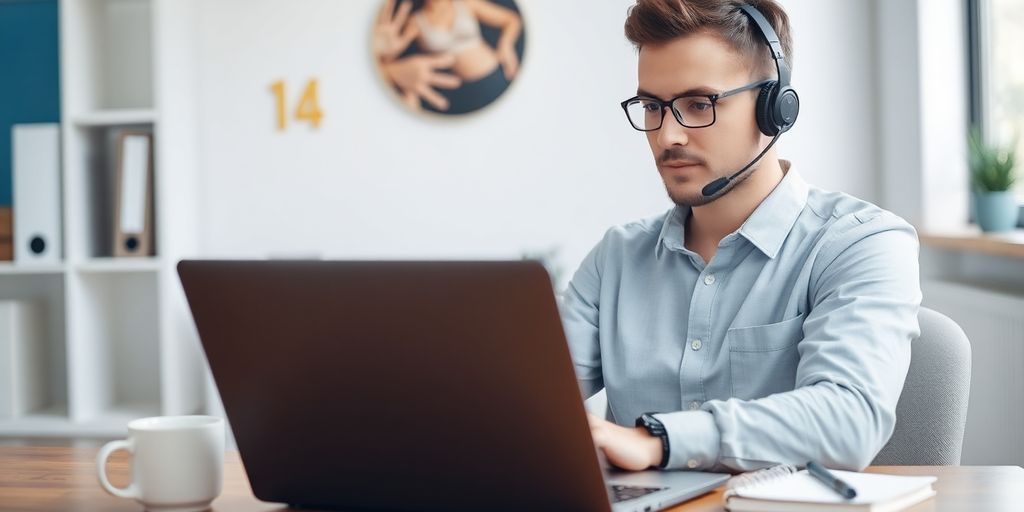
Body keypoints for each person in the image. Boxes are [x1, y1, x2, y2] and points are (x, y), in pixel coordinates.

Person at [562, 0, 922, 474]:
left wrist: (658, 442)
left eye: (698, 104)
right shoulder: (617, 258)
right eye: (652, 106)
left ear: (776, 108)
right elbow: (529, 396)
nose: (667, 134)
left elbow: (848, 418)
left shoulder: (862, 244)